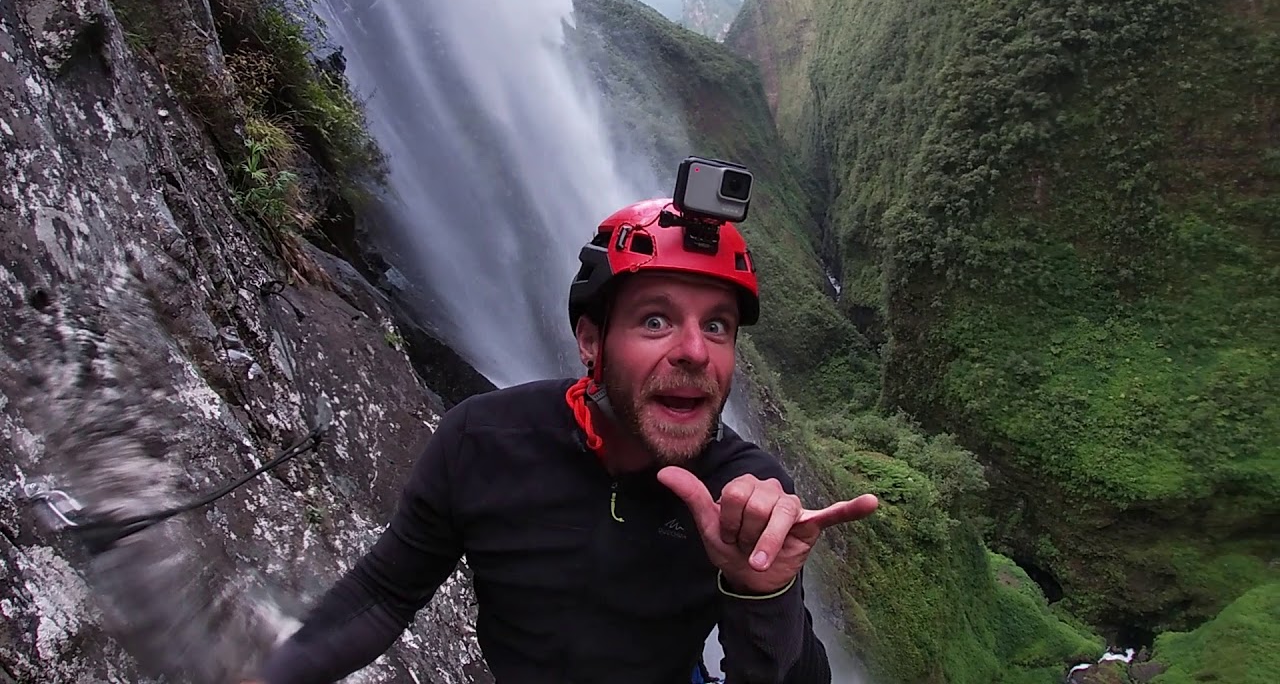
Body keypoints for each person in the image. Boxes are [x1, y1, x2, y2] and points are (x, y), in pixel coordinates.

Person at [243, 196, 878, 684]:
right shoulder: (483, 442)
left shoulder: (745, 496)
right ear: (591, 341)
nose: (694, 351)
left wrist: (757, 590)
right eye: (655, 319)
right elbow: (384, 594)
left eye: (718, 326)